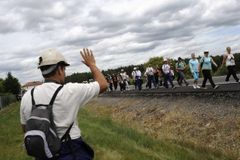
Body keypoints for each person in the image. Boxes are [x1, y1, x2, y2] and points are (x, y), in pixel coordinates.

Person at [20, 48, 108, 160]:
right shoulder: (70, 90)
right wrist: (92, 64)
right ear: (60, 69)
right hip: (70, 148)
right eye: (64, 69)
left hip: (44, 152)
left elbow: (25, 128)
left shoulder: (27, 96)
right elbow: (103, 84)